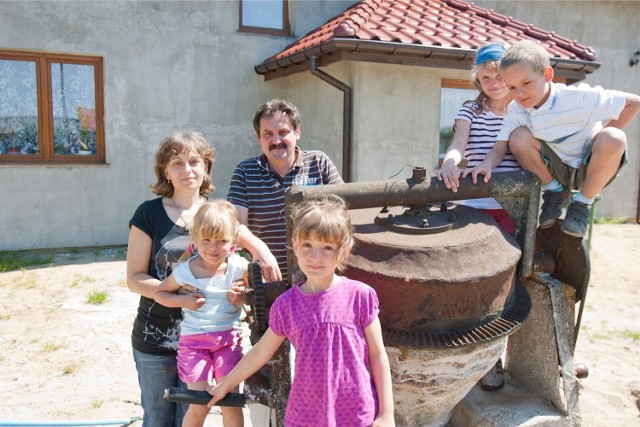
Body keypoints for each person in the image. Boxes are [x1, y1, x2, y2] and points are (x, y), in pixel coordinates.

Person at [126, 131, 280, 427]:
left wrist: (263, 251)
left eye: (195, 161)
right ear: (165, 172)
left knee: (195, 411)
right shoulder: (148, 213)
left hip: (214, 335)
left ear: (206, 167)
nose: (188, 170)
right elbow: (134, 279)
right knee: (157, 417)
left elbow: (245, 239)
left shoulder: (216, 214)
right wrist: (178, 290)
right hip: (156, 336)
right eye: (177, 163)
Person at [207, 194, 395, 427]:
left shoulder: (360, 296)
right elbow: (260, 353)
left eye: (327, 247)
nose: (315, 256)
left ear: (344, 251)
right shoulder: (287, 305)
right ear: (295, 245)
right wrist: (225, 384)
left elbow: (377, 354)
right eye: (307, 245)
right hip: (306, 415)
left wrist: (386, 414)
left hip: (355, 413)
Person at [469, 40, 640, 238]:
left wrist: (602, 143)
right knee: (518, 138)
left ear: (547, 75)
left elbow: (634, 103)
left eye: (526, 83)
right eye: (512, 87)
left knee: (614, 137)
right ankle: (554, 193)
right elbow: (500, 148)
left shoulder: (579, 97)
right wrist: (486, 164)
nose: (520, 93)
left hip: (589, 167)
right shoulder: (517, 110)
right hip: (555, 169)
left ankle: (582, 204)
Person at [227, 98, 343, 282]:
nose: (276, 140)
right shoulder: (245, 172)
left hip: (319, 278)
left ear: (297, 132)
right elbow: (234, 224)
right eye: (268, 134)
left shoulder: (319, 163)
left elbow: (343, 215)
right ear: (258, 138)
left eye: (283, 132)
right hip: (270, 281)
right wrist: (262, 252)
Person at [155, 200, 248, 427]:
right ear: (195, 238)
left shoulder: (239, 267)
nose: (213, 247)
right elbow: (160, 293)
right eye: (206, 240)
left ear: (233, 240)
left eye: (221, 241)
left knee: (230, 402)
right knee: (199, 403)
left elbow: (259, 295)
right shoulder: (185, 270)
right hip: (194, 345)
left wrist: (243, 297)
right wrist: (183, 300)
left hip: (228, 342)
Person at [437, 42, 520, 236]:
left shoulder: (521, 112)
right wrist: (449, 162)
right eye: (486, 77)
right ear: (478, 81)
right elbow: (458, 144)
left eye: (499, 76)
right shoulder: (470, 111)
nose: (494, 82)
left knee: (513, 256)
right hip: (478, 201)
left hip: (515, 201)